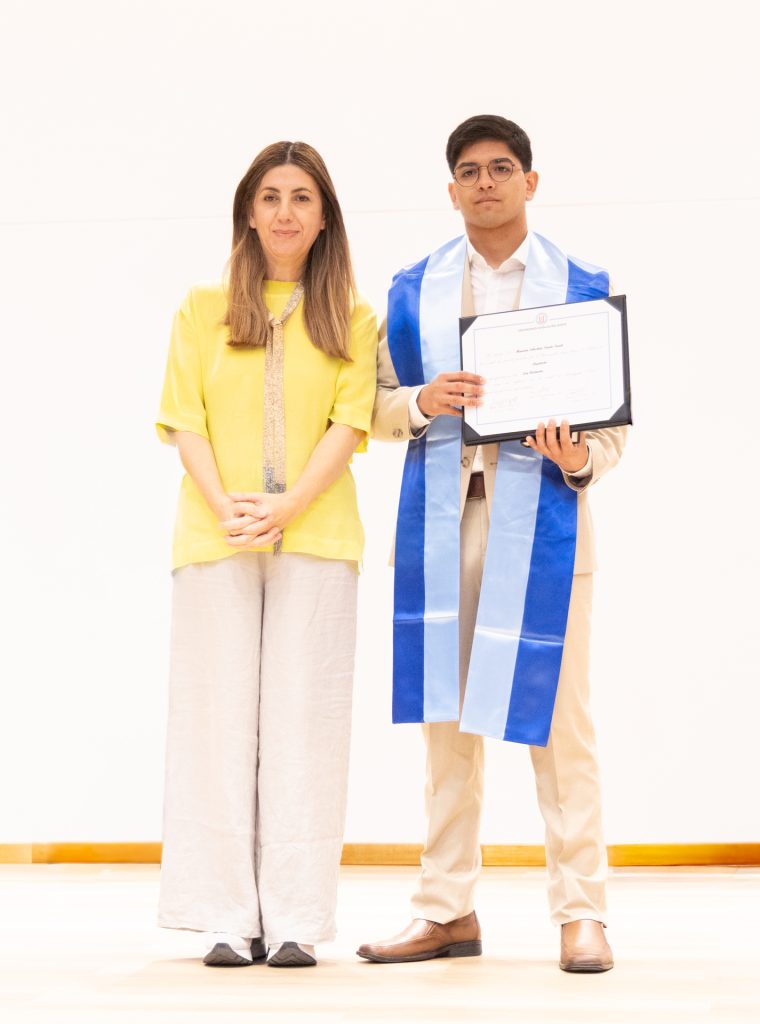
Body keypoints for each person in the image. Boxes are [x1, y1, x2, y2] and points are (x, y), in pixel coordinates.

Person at [356, 115, 627, 973]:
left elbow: (614, 427)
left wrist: (578, 457)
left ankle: (582, 911)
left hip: (545, 522)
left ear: (530, 182)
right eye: (469, 171)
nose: (485, 183)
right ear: (451, 190)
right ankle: (446, 910)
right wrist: (422, 402)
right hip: (443, 523)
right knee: (445, 726)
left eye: (501, 168)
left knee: (561, 724)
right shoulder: (414, 291)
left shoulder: (581, 288)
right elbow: (373, 404)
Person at [156, 141, 377, 969]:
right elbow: (184, 418)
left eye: (302, 197)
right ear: (249, 211)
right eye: (272, 196)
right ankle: (223, 915)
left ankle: (294, 919)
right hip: (215, 533)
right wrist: (228, 508)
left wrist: (287, 507)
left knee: (304, 723)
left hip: (318, 534)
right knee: (217, 721)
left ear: (324, 217)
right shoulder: (202, 307)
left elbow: (350, 424)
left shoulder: (352, 315)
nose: (286, 211)